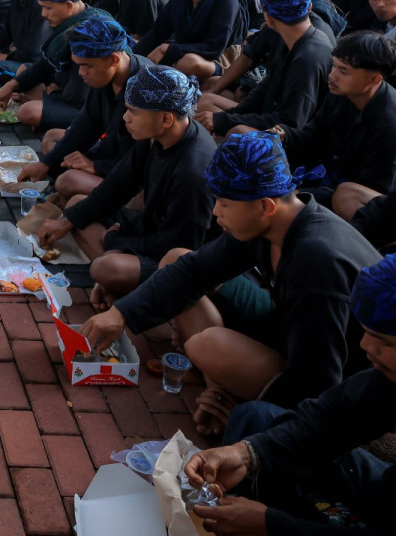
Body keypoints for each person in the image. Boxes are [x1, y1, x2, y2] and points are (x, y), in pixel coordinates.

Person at [80, 131, 381, 437]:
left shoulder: (316, 261)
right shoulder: (274, 221)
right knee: (176, 260)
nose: (215, 212)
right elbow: (193, 270)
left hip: (336, 379)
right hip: (286, 327)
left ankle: (228, 394)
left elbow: (317, 378)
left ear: (265, 206)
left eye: (224, 203)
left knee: (205, 346)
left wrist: (254, 418)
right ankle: (220, 386)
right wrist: (121, 313)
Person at [184, 253, 396, 536]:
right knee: (257, 418)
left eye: (384, 341)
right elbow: (331, 416)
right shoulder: (388, 375)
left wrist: (272, 525)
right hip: (384, 491)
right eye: (367, 332)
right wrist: (247, 453)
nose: (366, 345)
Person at [38, 64, 216, 305]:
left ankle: (120, 286)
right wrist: (66, 222)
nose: (125, 117)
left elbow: (177, 248)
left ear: (166, 118)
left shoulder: (192, 171)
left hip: (177, 257)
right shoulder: (158, 137)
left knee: (106, 268)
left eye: (133, 111)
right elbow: (118, 185)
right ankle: (117, 287)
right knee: (76, 207)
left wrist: (117, 242)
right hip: (150, 227)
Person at [17, 18, 152, 199]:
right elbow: (86, 126)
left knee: (67, 182)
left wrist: (96, 167)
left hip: (134, 176)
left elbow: (146, 161)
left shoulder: (147, 88)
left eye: (87, 66)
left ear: (113, 60)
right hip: (109, 154)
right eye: (78, 65)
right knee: (52, 138)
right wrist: (45, 164)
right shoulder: (104, 79)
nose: (81, 73)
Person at [195, 0, 334, 137]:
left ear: (268, 18)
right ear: (309, 7)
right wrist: (230, 116)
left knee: (238, 131)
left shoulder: (307, 60)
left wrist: (225, 121)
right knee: (206, 102)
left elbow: (290, 123)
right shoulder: (288, 38)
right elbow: (266, 88)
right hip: (272, 114)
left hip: (294, 137)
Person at [279, 31, 396, 219]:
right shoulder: (341, 91)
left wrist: (301, 194)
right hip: (327, 177)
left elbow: (373, 193)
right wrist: (283, 136)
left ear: (374, 80)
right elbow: (313, 137)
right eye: (334, 66)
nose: (332, 76)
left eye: (343, 71)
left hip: (357, 200)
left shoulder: (389, 124)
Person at [0, 0, 109, 130]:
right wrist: (10, 86)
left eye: (47, 8)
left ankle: (51, 116)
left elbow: (79, 94)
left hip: (89, 105)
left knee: (28, 112)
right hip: (67, 87)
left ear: (69, 6)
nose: (43, 14)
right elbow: (46, 64)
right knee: (24, 70)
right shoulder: (70, 20)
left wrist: (55, 94)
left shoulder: (89, 34)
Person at [133, 0, 246, 82]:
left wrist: (168, 48)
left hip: (220, 59)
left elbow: (214, 47)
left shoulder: (226, 0)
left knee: (188, 62)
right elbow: (158, 33)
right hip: (187, 50)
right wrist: (132, 56)